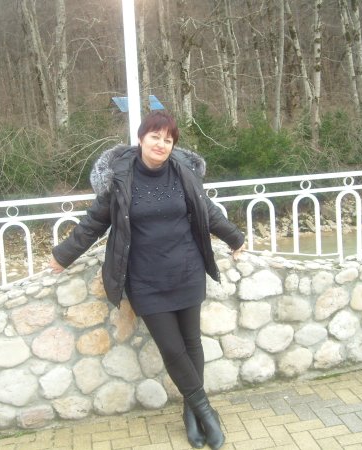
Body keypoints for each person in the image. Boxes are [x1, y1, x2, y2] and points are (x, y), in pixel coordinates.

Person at [49, 110, 245, 450]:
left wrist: (235, 238)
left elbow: (207, 212)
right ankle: (206, 412)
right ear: (141, 138)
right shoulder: (120, 178)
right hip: (145, 278)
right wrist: (63, 255)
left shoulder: (184, 173)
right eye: (155, 137)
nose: (161, 144)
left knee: (191, 343)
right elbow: (94, 222)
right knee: (172, 348)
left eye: (168, 140)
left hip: (187, 270)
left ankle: (190, 413)